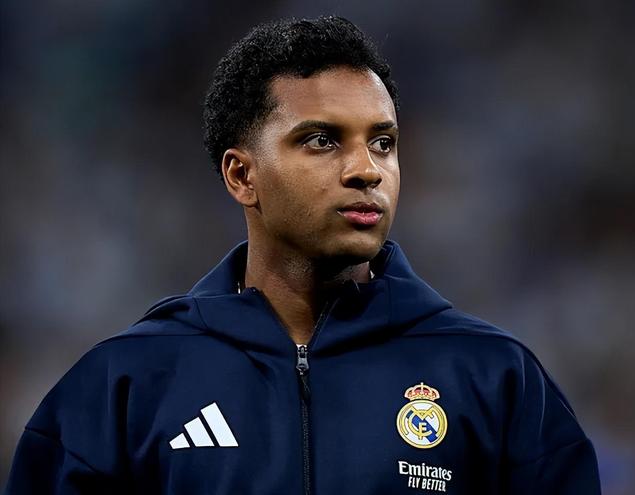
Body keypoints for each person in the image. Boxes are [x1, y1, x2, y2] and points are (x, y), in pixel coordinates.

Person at [6, 15, 601, 495]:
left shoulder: (494, 378)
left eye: (383, 143)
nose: (366, 170)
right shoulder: (126, 384)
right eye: (322, 140)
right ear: (242, 176)